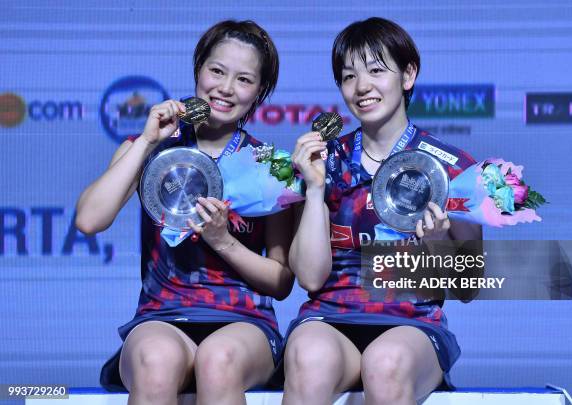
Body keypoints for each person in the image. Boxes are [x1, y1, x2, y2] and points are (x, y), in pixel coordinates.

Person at [76, 20, 293, 405]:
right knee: (156, 361)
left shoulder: (272, 167)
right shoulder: (152, 147)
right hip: (162, 317)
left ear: (260, 91)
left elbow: (280, 281)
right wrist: (146, 142)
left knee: (217, 360)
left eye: (244, 79)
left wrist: (224, 241)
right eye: (217, 71)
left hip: (244, 324)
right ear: (198, 71)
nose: (225, 88)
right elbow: (90, 220)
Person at [283, 17, 482, 405]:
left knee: (385, 363)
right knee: (309, 357)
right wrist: (314, 188)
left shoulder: (453, 169)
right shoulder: (325, 160)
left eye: (376, 70)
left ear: (408, 75)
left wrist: (439, 243)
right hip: (331, 318)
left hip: (412, 323)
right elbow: (309, 276)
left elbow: (469, 288)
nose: (362, 87)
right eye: (348, 76)